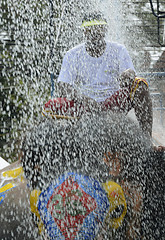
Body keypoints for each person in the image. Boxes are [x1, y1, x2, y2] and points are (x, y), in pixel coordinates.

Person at [43, 11, 153, 139]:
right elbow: (63, 86)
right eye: (90, 29)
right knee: (51, 105)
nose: (95, 33)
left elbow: (130, 73)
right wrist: (85, 100)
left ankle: (147, 141)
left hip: (113, 103)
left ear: (105, 29)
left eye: (98, 29)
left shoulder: (118, 50)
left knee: (140, 84)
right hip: (84, 105)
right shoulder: (72, 54)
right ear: (84, 31)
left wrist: (127, 75)